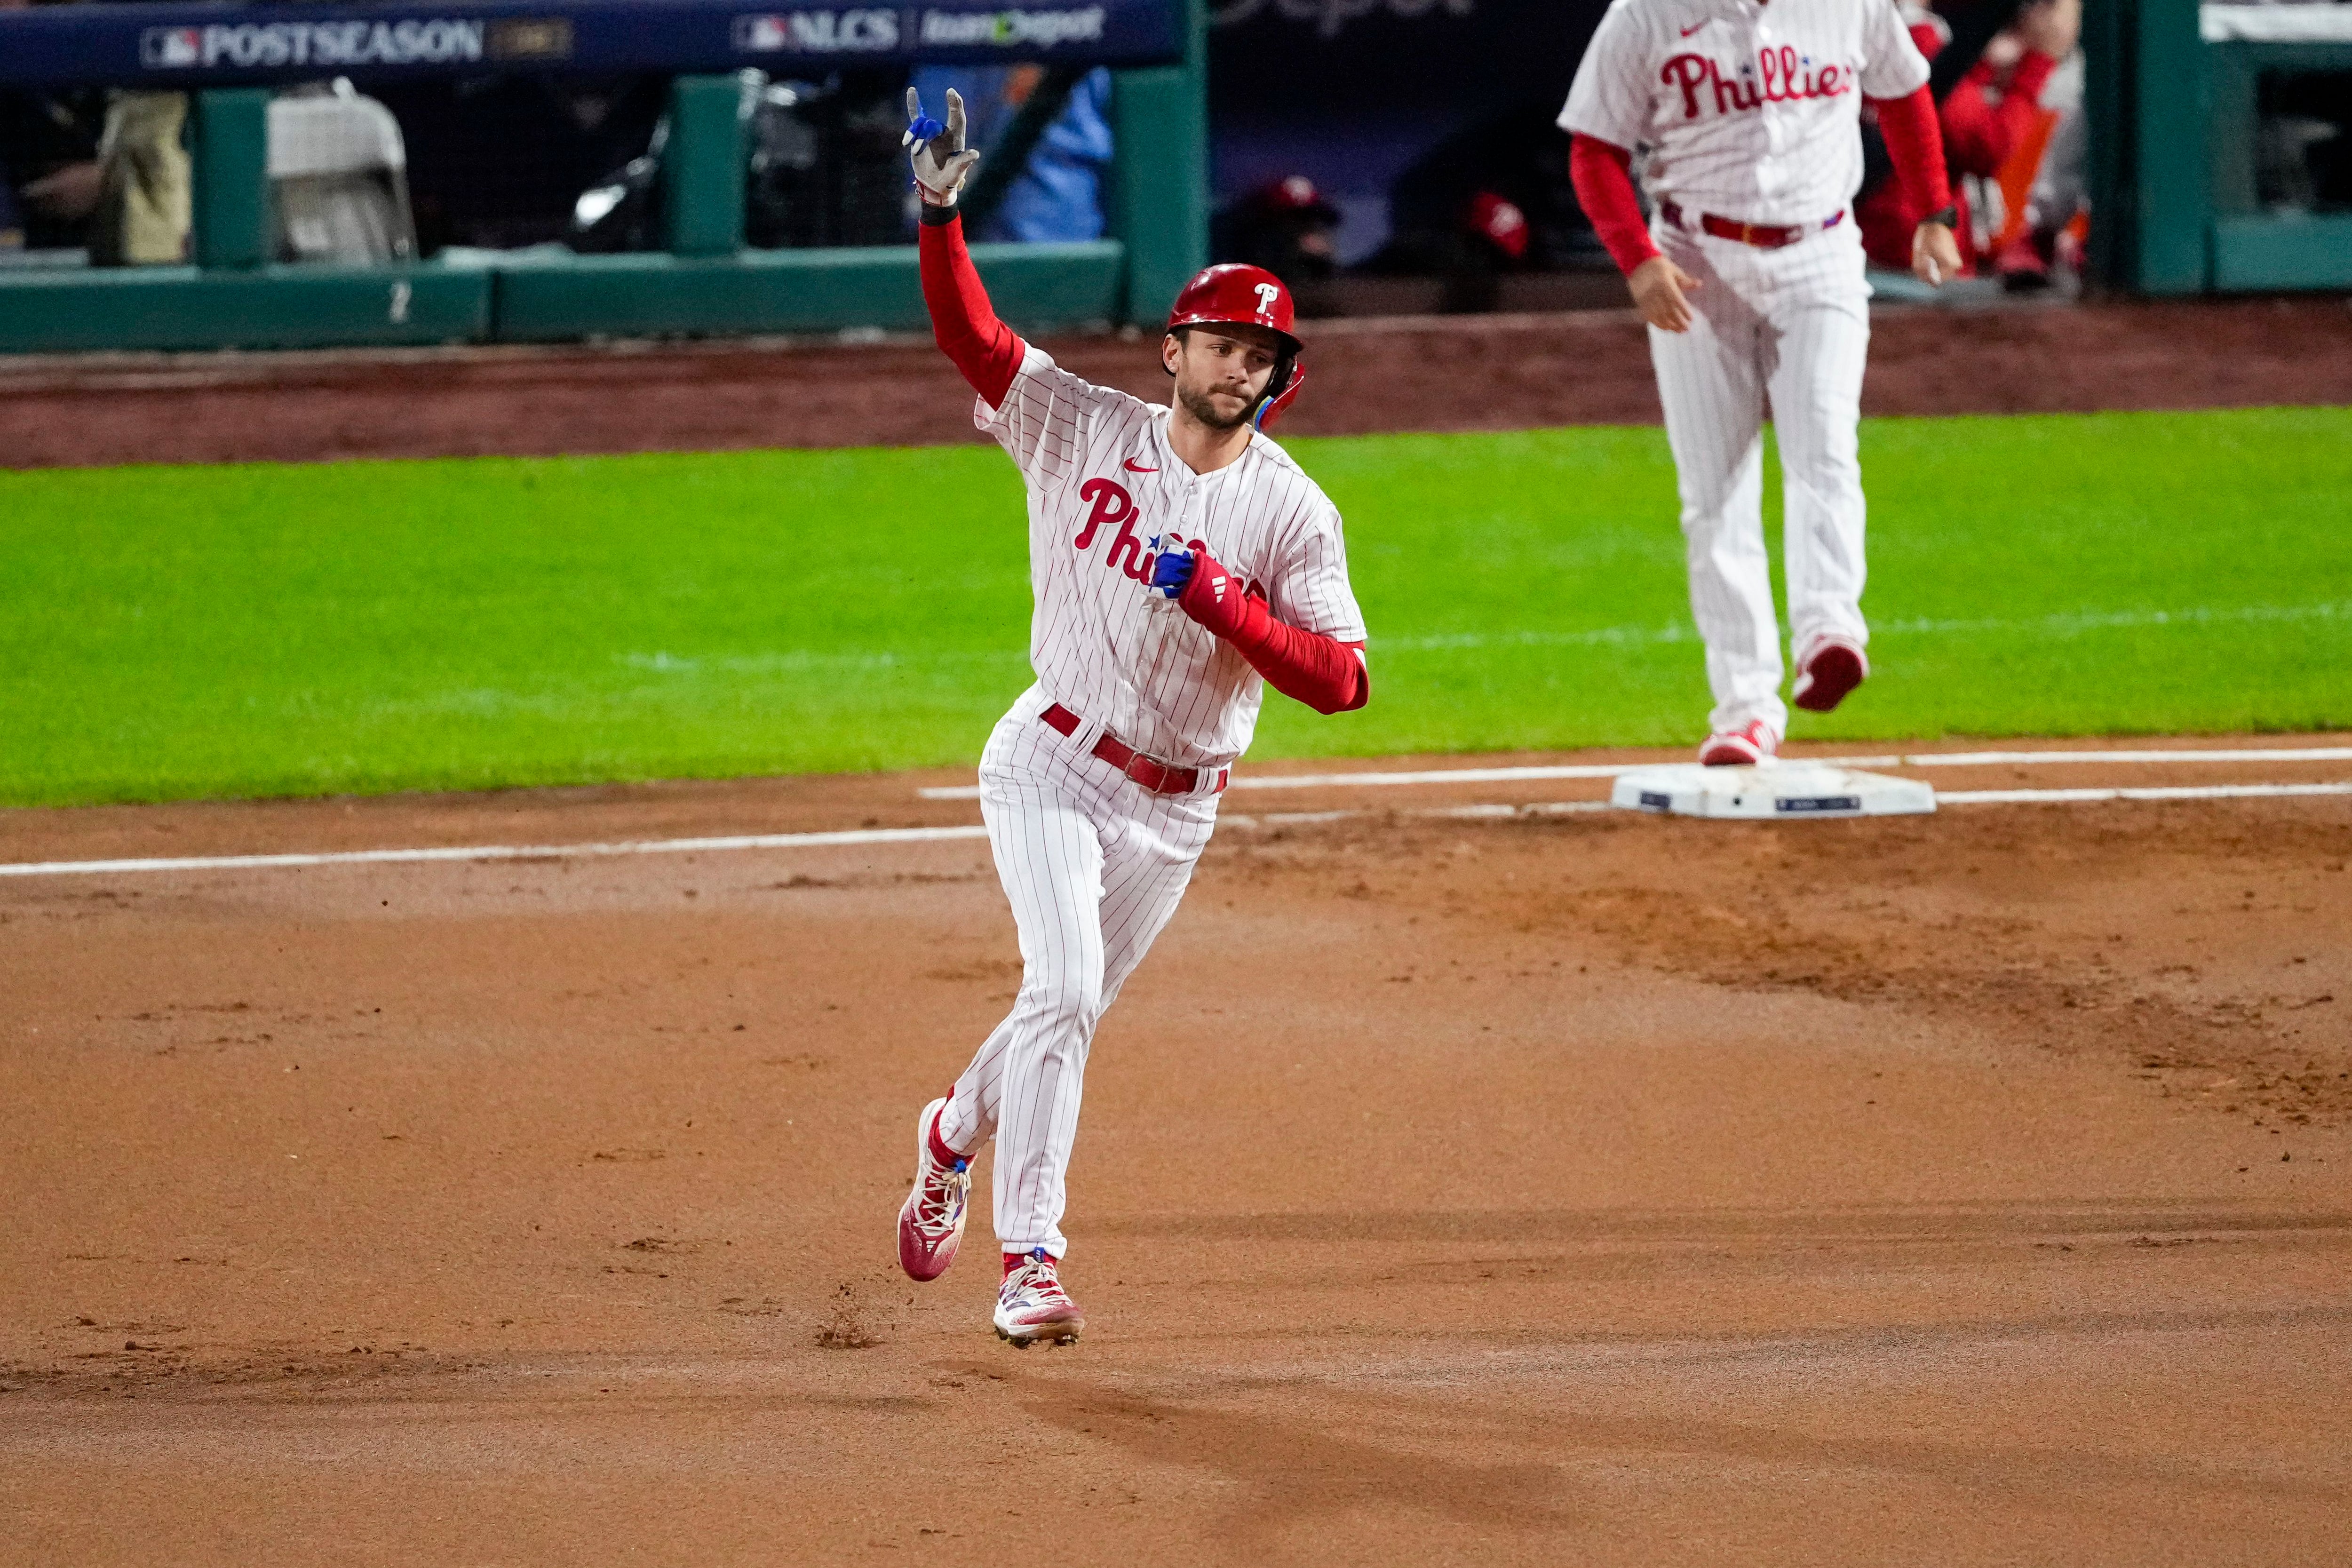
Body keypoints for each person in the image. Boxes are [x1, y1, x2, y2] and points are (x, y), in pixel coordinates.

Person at [890, 90, 1372, 1346]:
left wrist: (1222, 602)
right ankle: (1031, 1257)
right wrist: (940, 215)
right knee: (1062, 983)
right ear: (1175, 350)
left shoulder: (1292, 514)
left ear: (1281, 379)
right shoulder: (1080, 425)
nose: (1238, 366)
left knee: (1068, 1005)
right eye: (1219, 343)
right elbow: (975, 339)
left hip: (1179, 811)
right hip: (1050, 759)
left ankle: (950, 1132)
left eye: (1259, 354)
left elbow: (1342, 681)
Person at [1562, 0, 1959, 765]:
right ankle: (1746, 711)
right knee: (1715, 492)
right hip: (1694, 259)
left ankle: (1829, 632)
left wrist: (1933, 209)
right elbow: (1595, 148)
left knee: (1824, 448)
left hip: (1822, 256)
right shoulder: (1645, 15)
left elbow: (1904, 90)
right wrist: (1637, 258)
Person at [1856, 0, 2082, 279]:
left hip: (1868, 243)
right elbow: (1986, 146)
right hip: (1909, 254)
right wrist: (2039, 62)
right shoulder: (1917, 34)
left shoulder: (1859, 27)